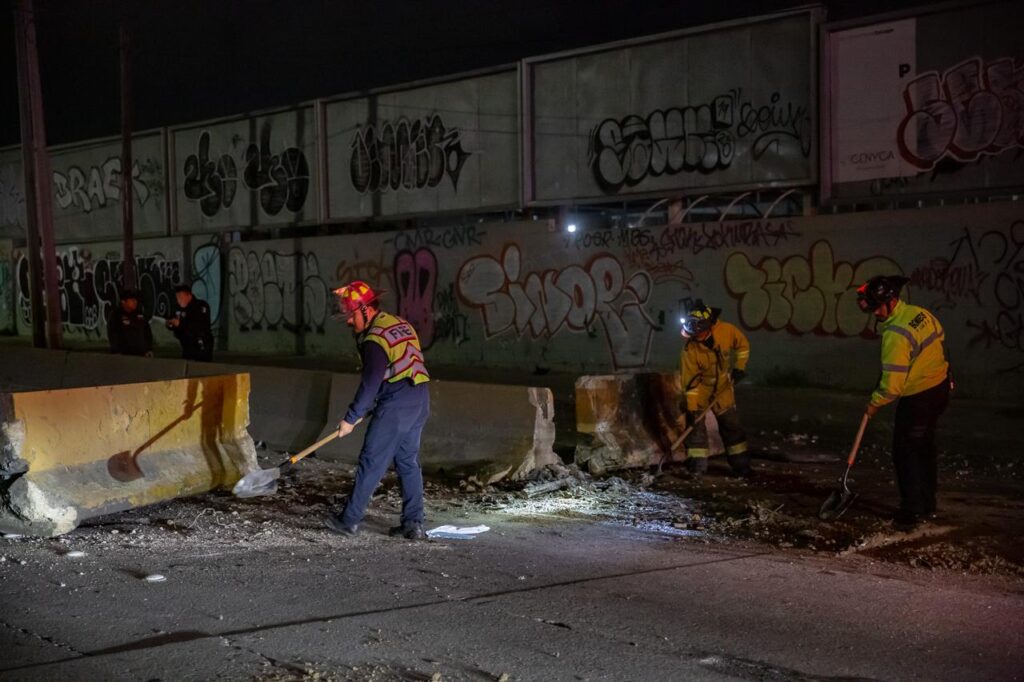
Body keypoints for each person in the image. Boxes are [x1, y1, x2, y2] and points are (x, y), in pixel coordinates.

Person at [325, 280, 431, 540]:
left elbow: (370, 382)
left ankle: (348, 520)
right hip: (419, 398)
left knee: (371, 461)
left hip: (397, 404)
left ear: (365, 310)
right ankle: (413, 524)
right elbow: (397, 367)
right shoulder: (398, 323)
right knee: (408, 461)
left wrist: (350, 418)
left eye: (351, 316)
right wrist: (374, 403)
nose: (349, 323)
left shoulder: (374, 340)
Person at [857, 275, 952, 531]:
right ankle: (927, 503)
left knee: (905, 452)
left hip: (919, 397)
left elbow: (892, 387)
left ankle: (912, 510)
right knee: (924, 448)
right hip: (940, 388)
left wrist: (874, 404)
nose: (874, 313)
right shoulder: (919, 313)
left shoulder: (895, 335)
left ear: (891, 301)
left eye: (876, 307)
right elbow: (939, 338)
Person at [679, 300, 751, 477]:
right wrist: (692, 408)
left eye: (699, 333)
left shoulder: (726, 331)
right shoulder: (689, 350)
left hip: (723, 387)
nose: (696, 337)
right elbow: (690, 383)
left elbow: (743, 346)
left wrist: (740, 367)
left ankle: (741, 467)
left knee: (732, 426)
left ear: (708, 326)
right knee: (695, 430)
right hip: (701, 388)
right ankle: (697, 468)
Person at [166, 284, 214, 361]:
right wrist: (170, 324)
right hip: (186, 344)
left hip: (200, 345)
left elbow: (200, 326)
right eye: (177, 298)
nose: (179, 301)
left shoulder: (200, 306)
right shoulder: (178, 308)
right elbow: (172, 319)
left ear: (189, 296)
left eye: (181, 297)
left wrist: (180, 324)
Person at [107, 288, 153, 356]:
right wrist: (116, 350)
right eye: (132, 300)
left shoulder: (140, 315)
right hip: (124, 355)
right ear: (123, 302)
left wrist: (149, 349)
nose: (135, 302)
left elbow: (147, 332)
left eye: (136, 300)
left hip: (141, 354)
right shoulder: (116, 315)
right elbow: (113, 334)